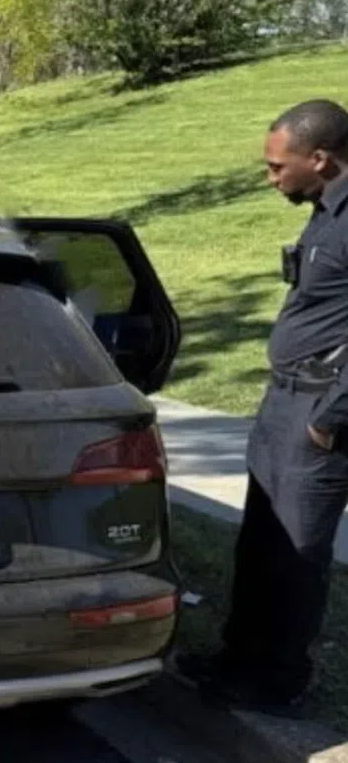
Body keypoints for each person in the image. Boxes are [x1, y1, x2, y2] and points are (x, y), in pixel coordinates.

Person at [176, 99, 348, 717]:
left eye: (278, 166)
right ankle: (237, 661)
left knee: (295, 558)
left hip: (319, 413)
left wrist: (330, 418)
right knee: (259, 545)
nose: (271, 178)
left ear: (319, 158)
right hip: (283, 400)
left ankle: (277, 682)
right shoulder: (324, 213)